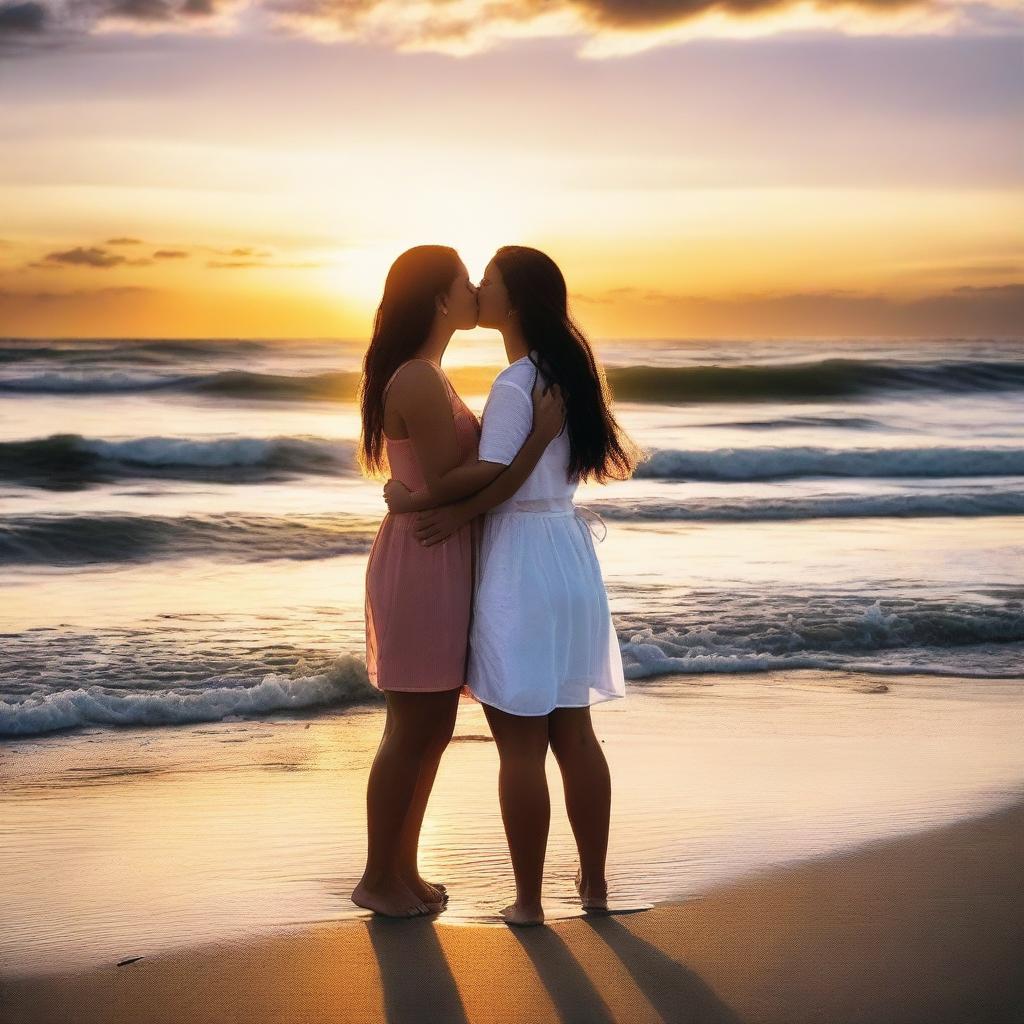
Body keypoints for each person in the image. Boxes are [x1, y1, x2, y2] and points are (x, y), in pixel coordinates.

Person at [385, 245, 641, 925]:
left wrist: (431, 506)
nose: (479, 289)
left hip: (521, 560)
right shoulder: (572, 375)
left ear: (515, 301)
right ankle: (594, 889)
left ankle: (528, 901)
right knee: (577, 736)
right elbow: (529, 475)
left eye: (489, 282)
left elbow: (496, 475)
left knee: (521, 747)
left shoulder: (513, 384)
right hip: (569, 553)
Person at [354, 244, 564, 918]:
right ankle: (377, 876)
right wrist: (535, 441)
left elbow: (442, 482)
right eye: (465, 282)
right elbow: (447, 481)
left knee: (433, 723)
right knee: (411, 725)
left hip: (441, 551)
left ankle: (402, 869)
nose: (477, 290)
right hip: (423, 558)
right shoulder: (417, 377)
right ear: (441, 300)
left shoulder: (430, 373)